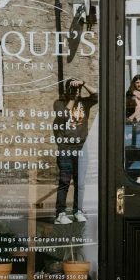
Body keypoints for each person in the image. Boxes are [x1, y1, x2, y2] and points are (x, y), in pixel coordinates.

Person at [53, 78, 98, 224]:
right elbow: (63, 117)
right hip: (66, 147)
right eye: (73, 89)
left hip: (81, 147)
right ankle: (60, 214)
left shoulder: (84, 103)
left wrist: (84, 83)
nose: (76, 92)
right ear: (67, 91)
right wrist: (71, 99)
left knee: (80, 182)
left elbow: (98, 96)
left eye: (77, 90)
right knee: (64, 181)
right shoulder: (59, 103)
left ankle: (78, 211)